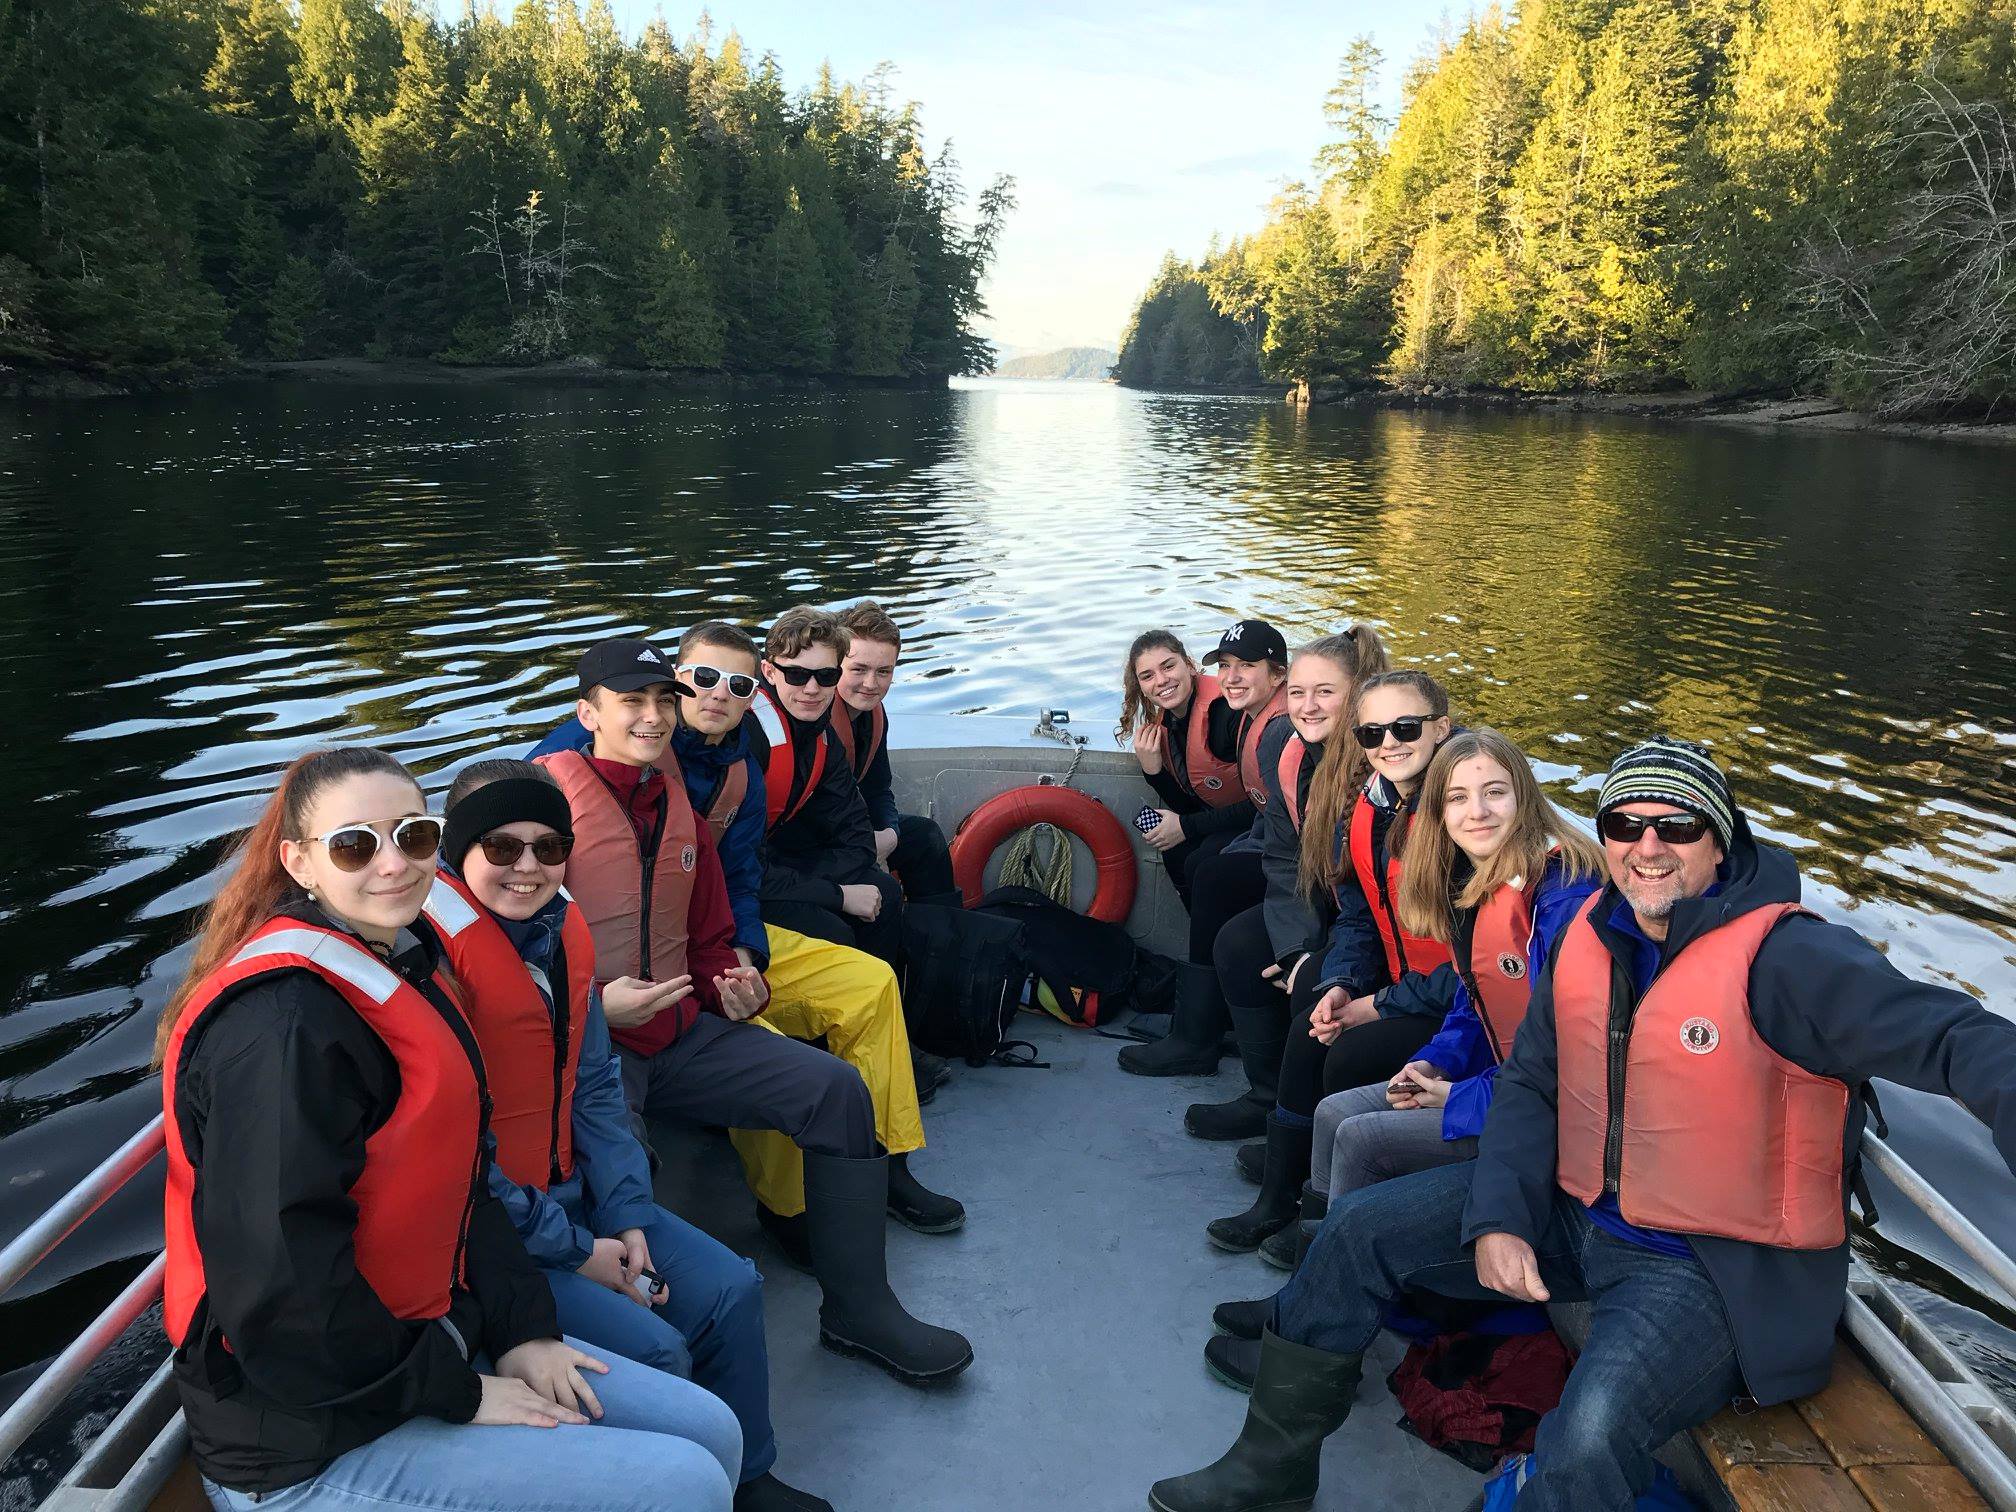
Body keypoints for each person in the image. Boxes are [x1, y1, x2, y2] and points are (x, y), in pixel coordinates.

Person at [1149, 736, 2016, 1512]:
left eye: (1675, 827)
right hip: (1578, 1209)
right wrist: (1499, 1217)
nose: (1647, 847)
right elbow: (1529, 1081)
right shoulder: (1592, 937)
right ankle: (1270, 1473)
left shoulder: (1790, 957)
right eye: (1624, 823)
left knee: (1585, 1439)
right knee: (1357, 1228)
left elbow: (1952, 1036)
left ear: (1721, 841)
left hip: (1705, 1265)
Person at [156, 747, 742, 1512]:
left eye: (413, 835)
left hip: (428, 1335)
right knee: (685, 1485)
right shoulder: (281, 1030)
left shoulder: (402, 964)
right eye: (355, 845)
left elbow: (466, 1186)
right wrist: (460, 1392)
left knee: (713, 1431)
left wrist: (524, 1327)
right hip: (309, 1432)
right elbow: (284, 1295)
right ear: (300, 863)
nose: (394, 864)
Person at [534, 638, 972, 1386]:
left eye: (658, 702)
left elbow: (710, 926)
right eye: (633, 702)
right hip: (592, 1052)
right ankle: (646, 1354)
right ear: (587, 714)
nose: (653, 716)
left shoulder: (679, 802)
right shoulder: (543, 805)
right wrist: (598, 1005)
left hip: (680, 1030)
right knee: (616, 1167)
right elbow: (501, 956)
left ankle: (859, 1309)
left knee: (836, 1091)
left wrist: (734, 976)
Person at [425, 759, 829, 1511]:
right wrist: (579, 1250)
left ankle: (748, 1475)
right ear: (457, 852)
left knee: (732, 1287)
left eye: (549, 849)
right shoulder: (434, 968)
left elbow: (599, 1090)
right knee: (656, 1348)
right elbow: (456, 1168)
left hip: (579, 1199)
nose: (528, 867)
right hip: (499, 1236)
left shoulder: (560, 934)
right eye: (502, 848)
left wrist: (628, 1215)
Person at [1207, 728, 1605, 1374]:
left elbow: (1571, 1076)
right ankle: (1309, 1293)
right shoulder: (1484, 886)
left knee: (1364, 1143)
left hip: (1542, 1135)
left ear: (1524, 798)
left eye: (1494, 793)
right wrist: (1438, 1063)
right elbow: (1473, 1008)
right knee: (1338, 1114)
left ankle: (1317, 1345)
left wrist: (1459, 1095)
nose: (1476, 811)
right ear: (1440, 816)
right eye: (1458, 799)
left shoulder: (1562, 906)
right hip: (1500, 1096)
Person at [662, 618, 963, 1250]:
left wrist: (746, 949)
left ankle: (889, 1163)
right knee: (761, 1036)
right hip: (656, 949)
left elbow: (744, 872)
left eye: (825, 675)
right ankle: (790, 1209)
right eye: (701, 679)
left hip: (721, 929)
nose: (814, 687)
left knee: (874, 970)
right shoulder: (620, 753)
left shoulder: (753, 758)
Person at [1203, 669, 1457, 1252]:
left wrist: (1377, 1006)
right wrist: (1343, 982)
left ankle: (1321, 1221)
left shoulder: (1463, 822)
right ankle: (1278, 1195)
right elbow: (1360, 918)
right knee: (1313, 1017)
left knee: (1349, 1053)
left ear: (1442, 729)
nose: (1388, 743)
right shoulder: (1372, 809)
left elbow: (1478, 969)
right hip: (1401, 979)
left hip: (1454, 1003)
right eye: (1373, 734)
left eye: (1406, 727)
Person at [1179, 629, 1391, 1141]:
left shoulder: (1385, 761)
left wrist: (1314, 955)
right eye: (1298, 692)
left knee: (1316, 983)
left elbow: (1373, 896)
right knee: (1238, 944)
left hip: (1381, 927)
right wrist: (1296, 944)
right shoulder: (1288, 750)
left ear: (1359, 696)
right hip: (1332, 907)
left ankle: (1300, 1135)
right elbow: (1282, 857)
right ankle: (1265, 1094)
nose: (1308, 706)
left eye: (1325, 692)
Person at [754, 606, 906, 970]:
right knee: (834, 930)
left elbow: (856, 834)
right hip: (742, 880)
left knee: (882, 892)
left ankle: (902, 997)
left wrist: (890, 835)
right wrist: (837, 895)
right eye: (796, 674)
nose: (811, 688)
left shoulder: (822, 736)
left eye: (824, 676)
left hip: (784, 867)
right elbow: (742, 866)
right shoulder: (750, 738)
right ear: (769, 671)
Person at [1117, 628, 1259, 911]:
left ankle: (1210, 950)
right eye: (1147, 676)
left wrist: (1185, 826)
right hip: (1225, 820)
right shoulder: (1168, 724)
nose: (1161, 681)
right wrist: (1154, 772)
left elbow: (1262, 804)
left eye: (1168, 666)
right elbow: (1192, 804)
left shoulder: (1228, 713)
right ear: (1140, 686)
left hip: (1261, 822)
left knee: (1201, 862)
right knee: (1176, 853)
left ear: (1190, 665)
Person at [833, 599, 957, 902]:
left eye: (884, 672)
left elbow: (878, 788)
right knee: (883, 889)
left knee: (925, 836)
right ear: (833, 666)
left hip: (857, 831)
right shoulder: (814, 720)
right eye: (858, 669)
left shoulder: (875, 715)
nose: (871, 684)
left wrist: (889, 833)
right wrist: (867, 845)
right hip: (819, 843)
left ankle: (942, 932)